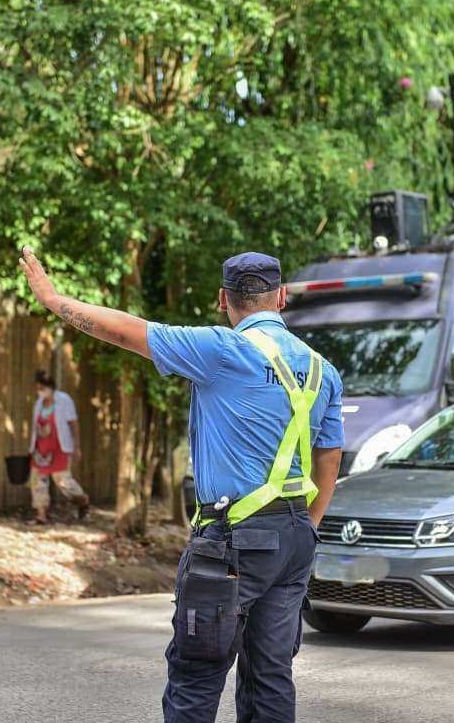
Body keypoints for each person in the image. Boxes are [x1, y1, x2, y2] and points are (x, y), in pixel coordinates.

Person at [19, 246, 343, 723]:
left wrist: (52, 299)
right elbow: (329, 458)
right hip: (293, 539)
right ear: (282, 297)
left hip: (234, 540)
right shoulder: (322, 369)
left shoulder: (222, 349)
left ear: (222, 299)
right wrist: (307, 526)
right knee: (271, 677)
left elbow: (125, 329)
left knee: (196, 676)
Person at [28, 370, 89, 524]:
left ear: (50, 387)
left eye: (42, 388)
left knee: (63, 481)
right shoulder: (38, 403)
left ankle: (83, 501)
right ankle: (40, 515)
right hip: (41, 449)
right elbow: (36, 427)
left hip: (60, 448)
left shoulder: (64, 400)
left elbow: (73, 424)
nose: (39, 391)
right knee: (37, 481)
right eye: (37, 388)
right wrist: (32, 447)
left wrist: (76, 447)